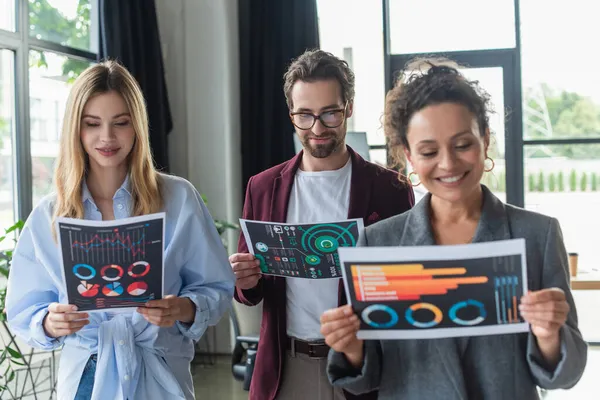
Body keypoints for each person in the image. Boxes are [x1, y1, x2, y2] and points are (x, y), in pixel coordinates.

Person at [320, 59, 588, 399]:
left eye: (462, 145)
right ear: (409, 157)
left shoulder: (538, 234)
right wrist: (351, 346)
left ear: (485, 141)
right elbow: (365, 378)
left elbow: (565, 375)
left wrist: (550, 334)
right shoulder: (377, 243)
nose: (447, 163)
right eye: (429, 151)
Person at [5, 60, 235, 400]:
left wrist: (182, 308)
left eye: (121, 123)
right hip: (86, 379)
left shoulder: (179, 199)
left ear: (137, 126)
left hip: (161, 374)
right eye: (92, 124)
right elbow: (25, 308)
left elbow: (216, 287)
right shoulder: (49, 215)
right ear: (76, 130)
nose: (107, 137)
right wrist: (50, 323)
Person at [229, 49, 414, 400]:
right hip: (285, 366)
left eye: (329, 113)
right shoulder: (263, 187)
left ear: (349, 108)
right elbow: (249, 291)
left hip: (363, 366)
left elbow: (404, 290)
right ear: (291, 115)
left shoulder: (390, 190)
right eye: (305, 115)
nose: (317, 128)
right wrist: (244, 279)